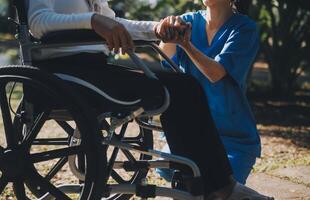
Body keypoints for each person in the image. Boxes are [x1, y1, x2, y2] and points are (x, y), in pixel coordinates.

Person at [28, 0, 272, 199]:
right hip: (63, 72)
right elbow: (37, 23)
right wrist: (93, 20)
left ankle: (216, 183)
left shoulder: (243, 27)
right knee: (179, 88)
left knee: (183, 84)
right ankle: (218, 187)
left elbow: (115, 24)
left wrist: (156, 29)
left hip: (97, 67)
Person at [156, 0, 261, 185]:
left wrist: (186, 45)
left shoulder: (245, 28)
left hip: (232, 137)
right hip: (192, 129)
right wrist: (166, 34)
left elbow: (216, 73)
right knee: (169, 170)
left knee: (219, 187)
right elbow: (166, 57)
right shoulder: (187, 21)